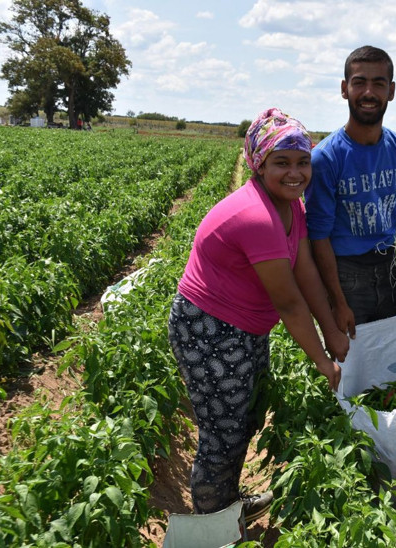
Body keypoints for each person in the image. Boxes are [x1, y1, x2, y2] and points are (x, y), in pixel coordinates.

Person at [168, 108, 347, 521]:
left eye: (303, 162)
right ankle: (213, 527)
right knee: (221, 433)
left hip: (245, 329)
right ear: (258, 163)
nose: (295, 172)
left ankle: (229, 504)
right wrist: (323, 360)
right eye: (281, 162)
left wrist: (333, 329)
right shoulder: (256, 216)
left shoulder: (291, 208)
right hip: (208, 329)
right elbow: (288, 303)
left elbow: (306, 277)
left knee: (245, 417)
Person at [305, 45, 396, 338]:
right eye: (359, 82)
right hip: (344, 275)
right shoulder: (326, 158)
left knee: (391, 367)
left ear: (390, 91)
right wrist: (337, 302)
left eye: (378, 83)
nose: (368, 92)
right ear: (344, 89)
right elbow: (319, 236)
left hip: (388, 270)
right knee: (351, 368)